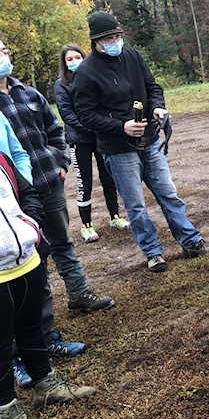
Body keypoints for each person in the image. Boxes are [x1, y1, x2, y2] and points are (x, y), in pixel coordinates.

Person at [72, 11, 209, 273]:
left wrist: (158, 108)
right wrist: (121, 127)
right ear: (96, 41)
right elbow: (85, 115)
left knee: (169, 194)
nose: (116, 41)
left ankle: (190, 241)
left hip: (150, 140)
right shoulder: (85, 73)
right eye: (110, 38)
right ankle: (152, 252)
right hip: (118, 150)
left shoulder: (133, 57)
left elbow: (153, 87)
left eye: (118, 36)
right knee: (136, 206)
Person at [0, 39, 115, 314]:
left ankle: (78, 294)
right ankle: (36, 316)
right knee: (28, 253)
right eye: (0, 51)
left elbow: (54, 130)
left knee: (62, 241)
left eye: (5, 50)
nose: (5, 55)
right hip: (13, 198)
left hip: (48, 182)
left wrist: (61, 164)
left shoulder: (29, 94)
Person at [0, 151, 96, 419]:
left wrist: (30, 224)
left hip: (25, 260)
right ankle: (5, 413)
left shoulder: (1, 157)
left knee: (31, 328)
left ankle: (46, 384)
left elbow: (26, 190)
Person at [0, 112, 87, 388]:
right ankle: (7, 403)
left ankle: (43, 374)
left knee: (31, 317)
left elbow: (20, 171)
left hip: (21, 247)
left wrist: (30, 224)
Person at [55, 44, 129, 243]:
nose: (74, 62)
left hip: (101, 137)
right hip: (79, 140)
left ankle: (115, 216)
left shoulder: (93, 77)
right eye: (69, 59)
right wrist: (92, 126)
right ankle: (86, 225)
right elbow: (68, 115)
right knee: (84, 182)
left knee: (109, 178)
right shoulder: (61, 85)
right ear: (64, 63)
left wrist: (102, 127)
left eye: (77, 57)